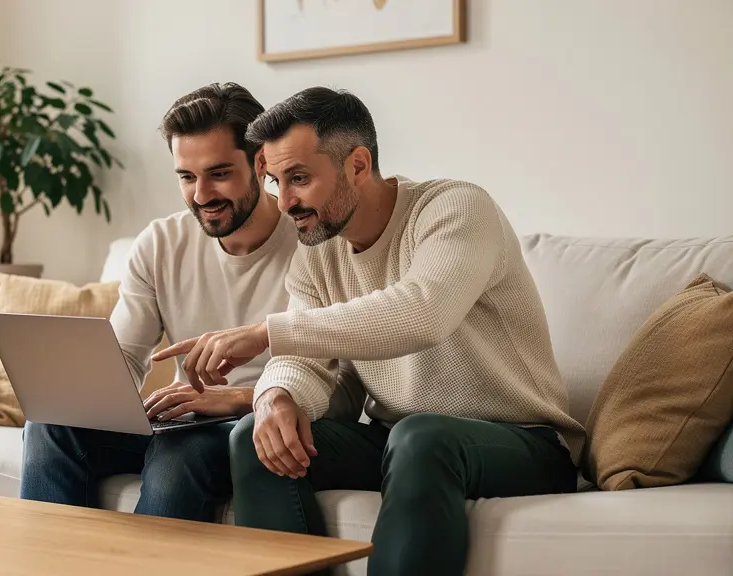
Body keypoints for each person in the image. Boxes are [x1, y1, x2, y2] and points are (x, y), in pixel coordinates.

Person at [152, 86, 586, 573]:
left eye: (298, 178)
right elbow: (303, 365)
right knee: (256, 435)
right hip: (396, 439)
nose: (285, 201)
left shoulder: (457, 209)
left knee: (421, 437)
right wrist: (274, 395)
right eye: (275, 181)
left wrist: (265, 333)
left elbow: (423, 313)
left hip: (521, 442)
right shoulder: (316, 254)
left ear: (357, 165)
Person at [19, 82, 361, 523]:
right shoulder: (160, 243)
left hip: (255, 426)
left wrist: (240, 397)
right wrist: (82, 392)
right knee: (50, 427)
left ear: (261, 164)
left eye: (219, 173)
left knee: (179, 453)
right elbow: (125, 355)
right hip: (185, 421)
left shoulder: (313, 238)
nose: (201, 195)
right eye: (186, 177)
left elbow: (347, 390)